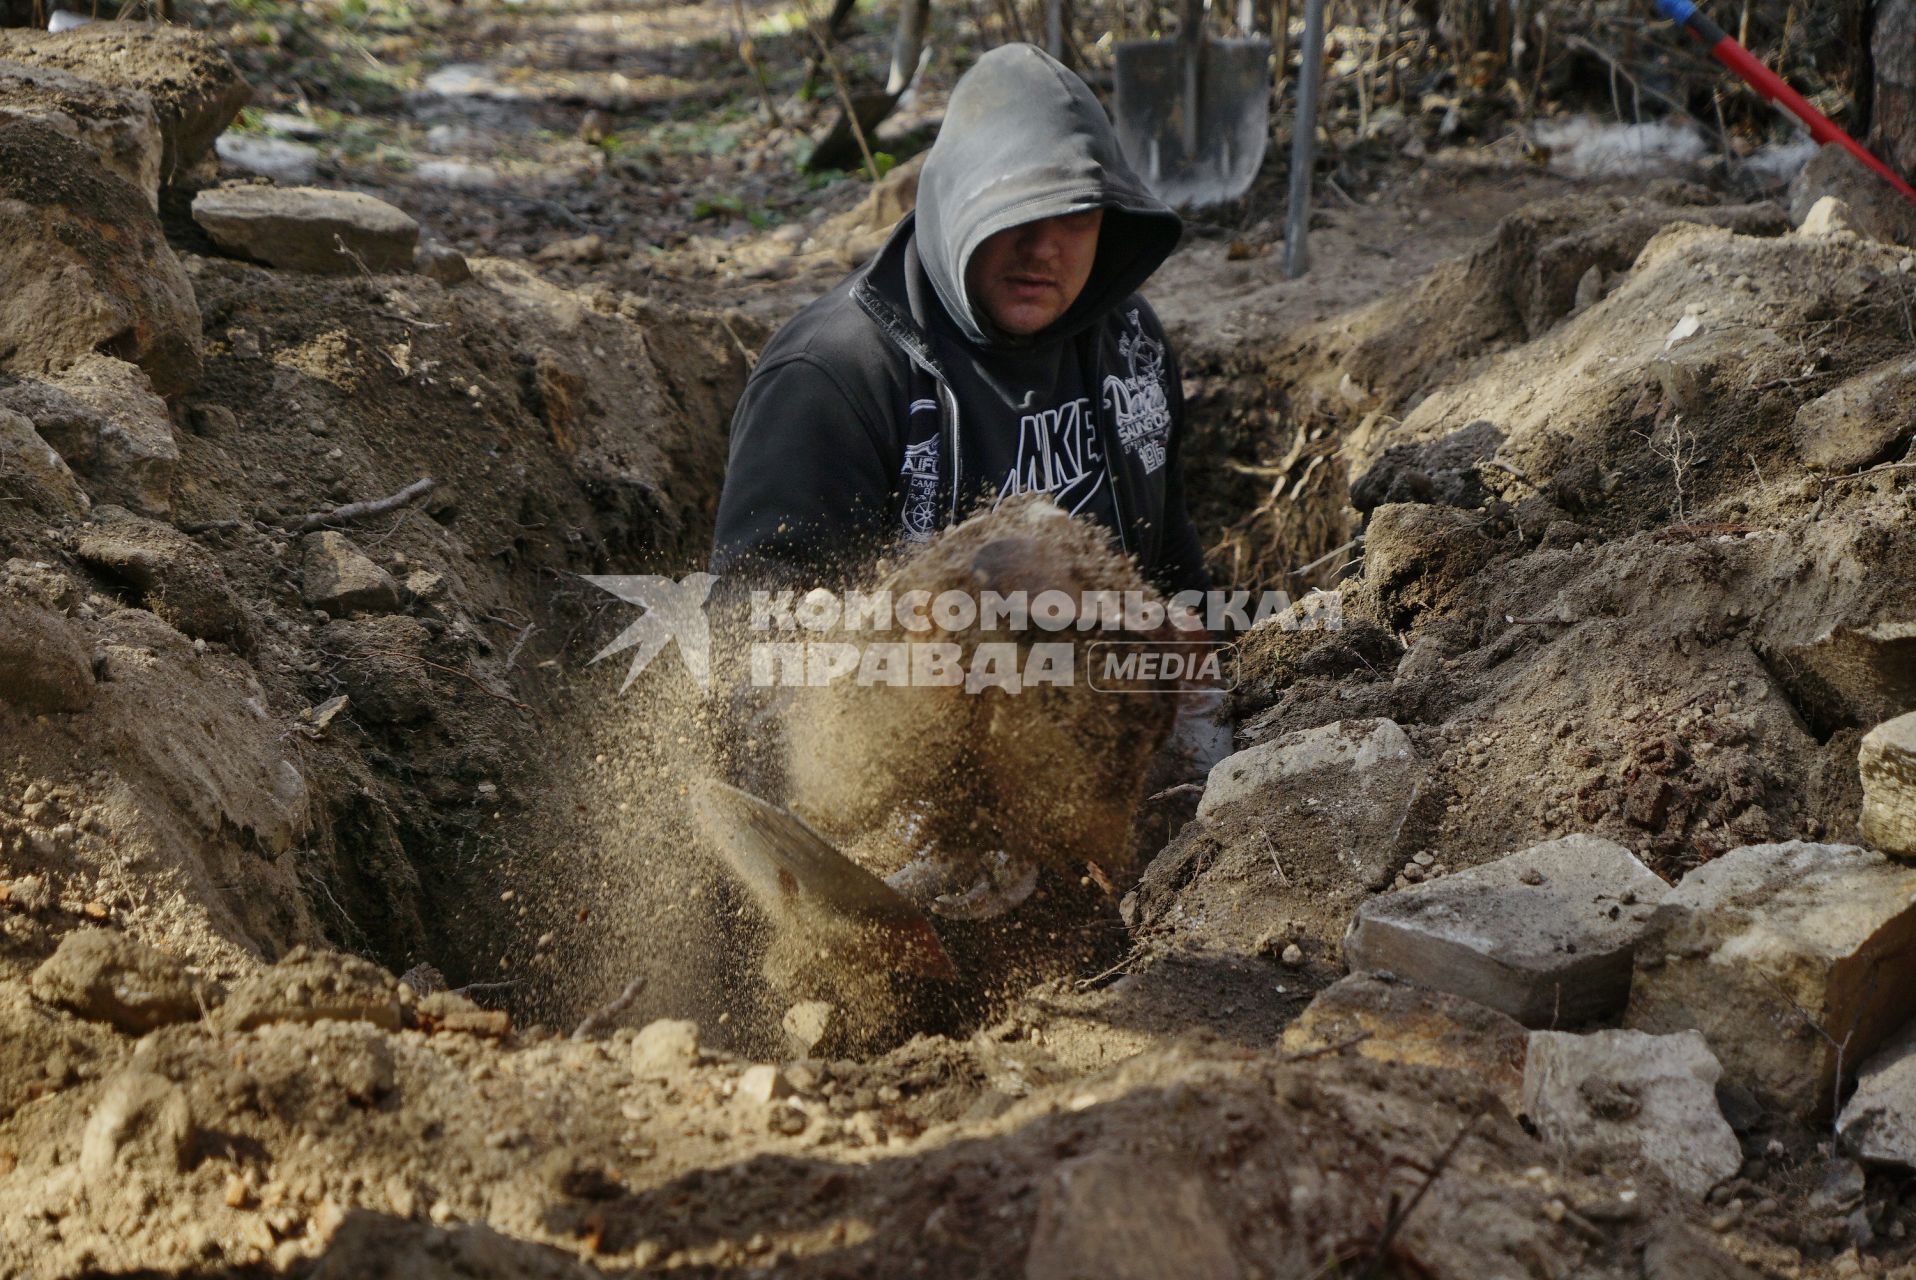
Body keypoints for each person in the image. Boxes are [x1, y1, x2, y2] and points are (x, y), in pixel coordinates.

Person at [710, 42, 1207, 598]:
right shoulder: (831, 376)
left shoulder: (1131, 343)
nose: (1043, 249)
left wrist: (1198, 667)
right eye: (1020, 211)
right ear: (956, 205)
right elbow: (752, 630)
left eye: (1075, 216)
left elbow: (1169, 556)